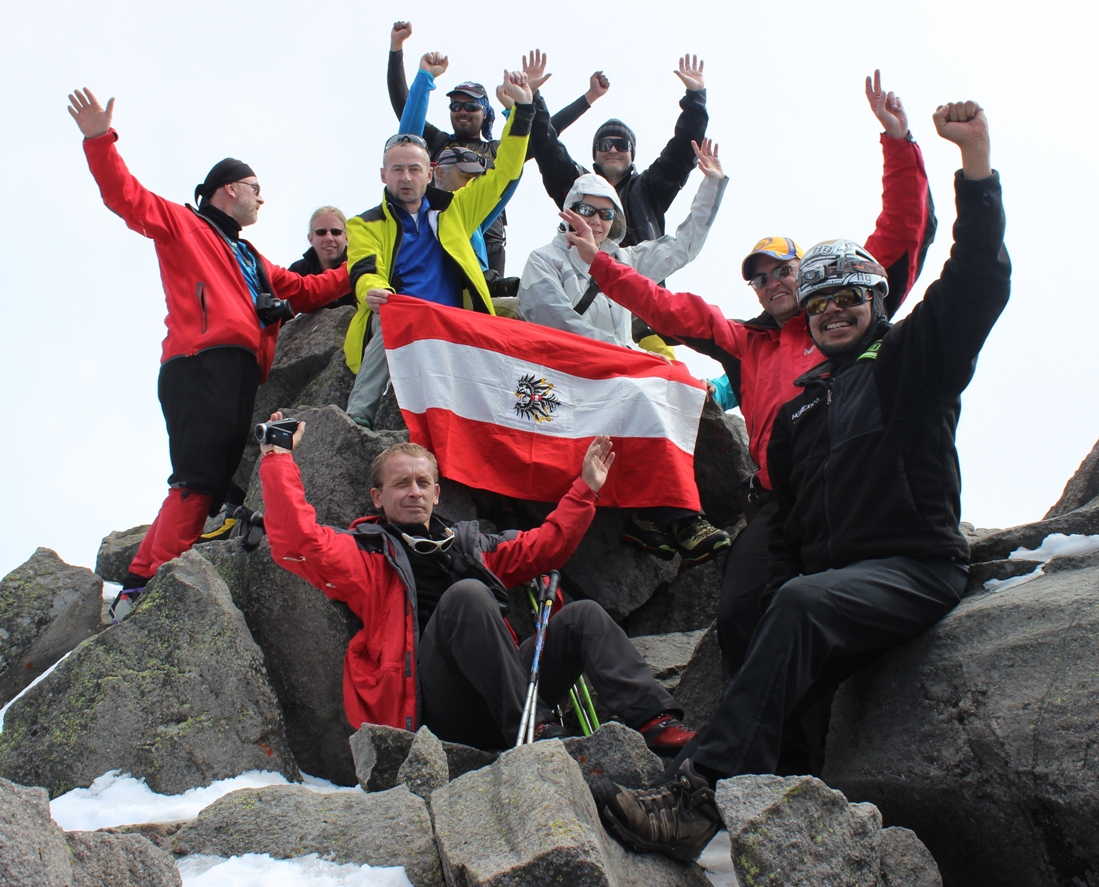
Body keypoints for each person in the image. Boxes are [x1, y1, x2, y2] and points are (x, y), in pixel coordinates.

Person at [586, 98, 1009, 861]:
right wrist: (596, 264)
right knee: (774, 600)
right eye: (820, 304)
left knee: (799, 602)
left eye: (850, 297)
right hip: (838, 569)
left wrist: (969, 165)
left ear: (879, 301)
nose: (834, 311)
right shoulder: (802, 409)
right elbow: (799, 515)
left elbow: (974, 280)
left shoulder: (910, 362)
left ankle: (697, 797)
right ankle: (767, 773)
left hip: (913, 566)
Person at [566, 72, 936, 684]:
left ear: (805, 270)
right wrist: (597, 263)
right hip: (779, 501)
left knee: (838, 614)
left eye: (782, 271)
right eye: (759, 279)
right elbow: (667, 309)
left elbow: (898, 236)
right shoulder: (747, 341)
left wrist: (898, 144)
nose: (773, 285)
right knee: (740, 614)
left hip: (857, 481)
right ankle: (766, 750)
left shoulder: (849, 317)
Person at [67, 88, 349, 620]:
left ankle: (155, 578)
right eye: (255, 188)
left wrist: (355, 274)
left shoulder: (252, 255)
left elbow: (305, 289)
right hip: (200, 362)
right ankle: (136, 588)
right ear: (227, 190)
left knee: (213, 481)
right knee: (198, 480)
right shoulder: (184, 224)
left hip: (236, 369)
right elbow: (125, 195)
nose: (261, 199)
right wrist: (98, 138)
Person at [259, 414, 698, 754]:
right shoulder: (367, 554)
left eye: (423, 482)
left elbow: (544, 548)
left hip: (507, 691)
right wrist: (278, 458)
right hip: (440, 709)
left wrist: (585, 488)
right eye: (400, 484)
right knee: (466, 596)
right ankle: (536, 730)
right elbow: (298, 541)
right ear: (378, 498)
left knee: (582, 615)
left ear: (436, 493)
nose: (413, 491)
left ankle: (658, 724)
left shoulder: (470, 546)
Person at [519, 141, 731, 565]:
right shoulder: (543, 260)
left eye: (607, 213)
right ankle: (681, 516)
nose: (596, 220)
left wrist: (711, 184)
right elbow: (555, 321)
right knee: (654, 387)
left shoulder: (624, 260)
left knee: (684, 383)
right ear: (569, 209)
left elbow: (682, 247)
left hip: (621, 369)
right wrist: (625, 357)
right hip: (568, 374)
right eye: (588, 209)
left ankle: (650, 520)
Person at [343, 71, 534, 431]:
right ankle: (358, 417)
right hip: (407, 322)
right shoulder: (364, 223)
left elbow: (505, 171)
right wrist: (371, 290)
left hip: (455, 322)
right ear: (383, 175)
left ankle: (532, 401)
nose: (405, 177)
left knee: (529, 308)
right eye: (397, 169)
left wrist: (522, 112)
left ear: (430, 173)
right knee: (390, 312)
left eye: (414, 169)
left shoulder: (457, 210)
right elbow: (365, 267)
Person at [387, 26, 607, 274]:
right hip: (438, 231)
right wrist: (399, 50)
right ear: (434, 172)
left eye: (470, 106)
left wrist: (524, 106)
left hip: (486, 238)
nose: (462, 111)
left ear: (485, 113)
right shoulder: (438, 143)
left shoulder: (497, 152)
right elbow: (404, 114)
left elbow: (544, 136)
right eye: (456, 106)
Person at [529, 54, 708, 250]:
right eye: (605, 145)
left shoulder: (649, 189)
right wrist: (534, 97)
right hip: (584, 277)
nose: (613, 150)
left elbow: (682, 151)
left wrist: (696, 96)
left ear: (632, 154)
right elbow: (546, 145)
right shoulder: (576, 187)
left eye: (622, 145)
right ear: (595, 154)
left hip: (639, 276)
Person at [287, 206, 355, 309]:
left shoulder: (360, 266)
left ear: (347, 237)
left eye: (336, 232)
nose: (329, 238)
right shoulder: (298, 271)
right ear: (311, 238)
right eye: (321, 232)